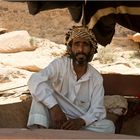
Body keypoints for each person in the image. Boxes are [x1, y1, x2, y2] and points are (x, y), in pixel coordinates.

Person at [27, 26, 115, 133]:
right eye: (77, 44)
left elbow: (98, 109)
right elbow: (34, 80)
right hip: (56, 115)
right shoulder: (59, 64)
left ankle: (65, 134)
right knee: (39, 95)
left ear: (92, 49)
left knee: (108, 126)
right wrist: (55, 109)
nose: (80, 49)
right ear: (70, 48)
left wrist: (80, 121)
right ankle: (40, 134)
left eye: (85, 45)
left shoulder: (96, 78)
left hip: (78, 120)